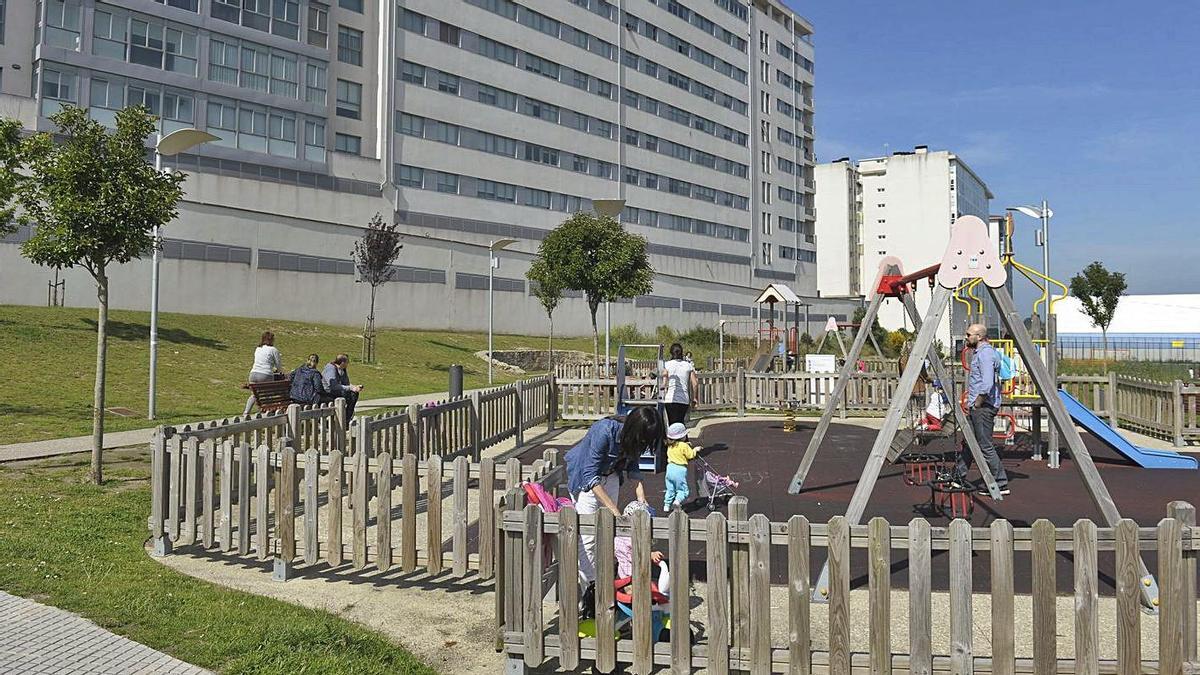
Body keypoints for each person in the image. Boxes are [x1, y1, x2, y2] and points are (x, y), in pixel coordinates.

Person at [564, 406, 662, 588]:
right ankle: (590, 591)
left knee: (608, 534)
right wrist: (616, 513)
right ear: (634, 430)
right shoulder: (605, 430)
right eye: (642, 440)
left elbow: (632, 465)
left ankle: (606, 581)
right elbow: (589, 475)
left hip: (611, 475)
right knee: (588, 539)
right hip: (586, 481)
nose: (643, 444)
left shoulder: (636, 439)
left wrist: (642, 498)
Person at [952, 323, 1010, 496]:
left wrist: (977, 402)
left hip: (983, 407)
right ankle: (958, 477)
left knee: (985, 445)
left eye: (969, 334)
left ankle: (1000, 482)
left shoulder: (985, 355)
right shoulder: (982, 353)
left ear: (979, 337)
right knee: (970, 442)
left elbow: (987, 383)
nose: (966, 337)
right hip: (979, 405)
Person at [243, 331, 282, 415]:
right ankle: (267, 412)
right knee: (268, 394)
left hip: (253, 374)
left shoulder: (258, 348)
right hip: (265, 374)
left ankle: (246, 412)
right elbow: (278, 365)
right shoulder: (273, 350)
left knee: (254, 394)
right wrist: (278, 371)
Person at [663, 422, 699, 512]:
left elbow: (678, 448)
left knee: (670, 488)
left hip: (670, 468)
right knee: (683, 490)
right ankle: (677, 501)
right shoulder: (684, 445)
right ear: (682, 436)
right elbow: (690, 455)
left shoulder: (670, 445)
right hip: (680, 469)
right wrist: (695, 449)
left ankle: (666, 505)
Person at [661, 342, 699, 424]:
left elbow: (664, 379)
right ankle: (682, 436)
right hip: (683, 399)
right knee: (680, 423)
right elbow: (695, 383)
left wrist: (663, 386)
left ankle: (672, 436)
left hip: (670, 399)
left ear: (671, 352)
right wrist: (695, 398)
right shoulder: (688, 365)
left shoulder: (667, 365)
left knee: (672, 424)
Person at [322, 354, 364, 423]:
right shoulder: (331, 368)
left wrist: (354, 387)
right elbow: (333, 386)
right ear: (342, 363)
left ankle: (346, 418)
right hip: (328, 392)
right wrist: (350, 388)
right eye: (347, 362)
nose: (348, 364)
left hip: (337, 391)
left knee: (354, 394)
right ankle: (345, 419)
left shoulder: (342, 370)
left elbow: (346, 383)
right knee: (350, 395)